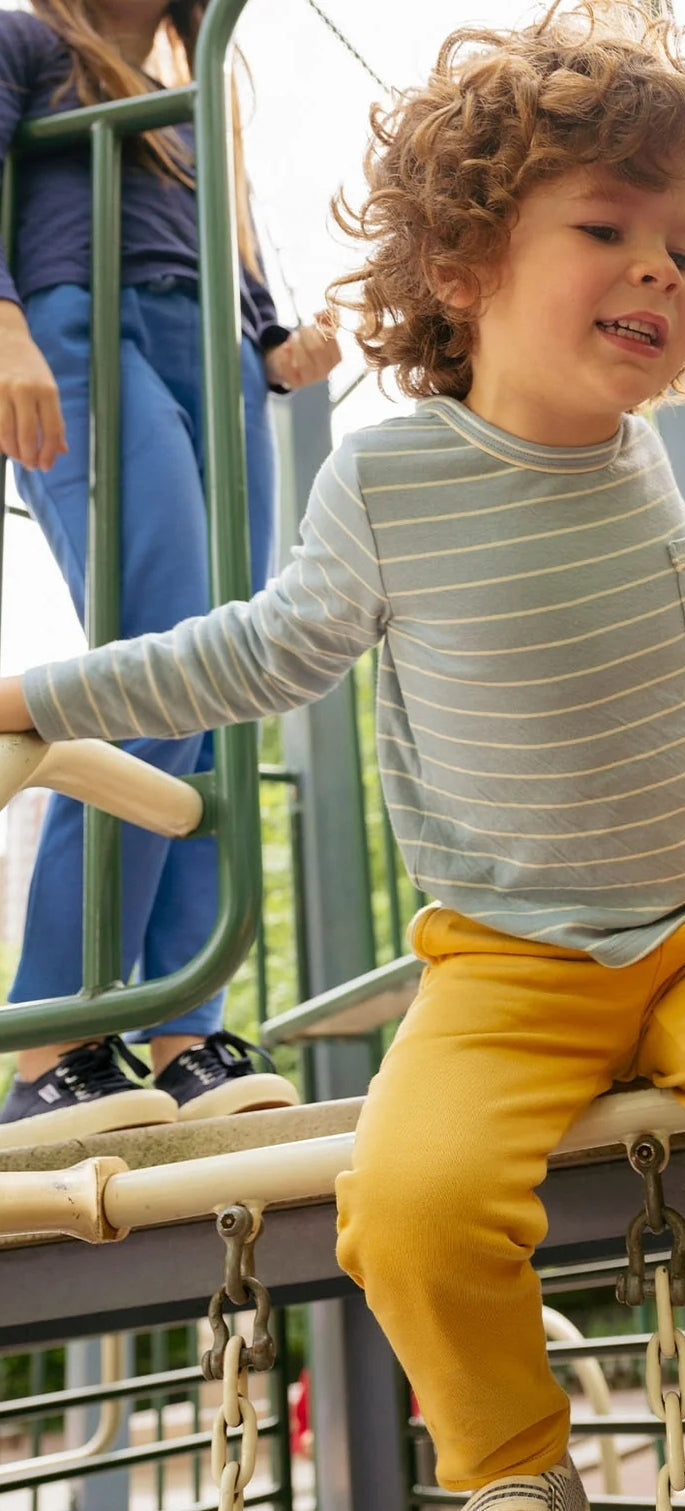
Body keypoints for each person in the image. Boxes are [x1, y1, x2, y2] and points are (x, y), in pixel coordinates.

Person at [0, 6, 685, 1511]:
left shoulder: (646, 459)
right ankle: (515, 1460)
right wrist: (41, 690)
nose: (662, 265)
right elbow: (255, 651)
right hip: (507, 958)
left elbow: (607, 590)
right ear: (461, 266)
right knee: (407, 1196)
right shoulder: (388, 478)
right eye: (606, 225)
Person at [0, 0, 340, 1145]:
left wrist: (279, 346)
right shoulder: (27, 39)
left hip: (215, 354)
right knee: (158, 647)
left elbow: (228, 257)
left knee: (228, 673)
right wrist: (5, 332)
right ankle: (51, 1036)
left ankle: (187, 1027)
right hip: (82, 325)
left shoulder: (196, 89)